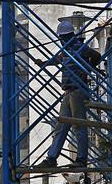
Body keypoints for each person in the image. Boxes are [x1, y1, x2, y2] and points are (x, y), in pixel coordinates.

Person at [35, 20, 103, 168]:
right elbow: (57, 60)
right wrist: (44, 63)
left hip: (78, 90)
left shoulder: (79, 47)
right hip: (69, 91)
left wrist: (88, 69)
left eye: (61, 38)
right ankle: (51, 158)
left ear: (65, 37)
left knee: (79, 126)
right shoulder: (66, 50)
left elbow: (96, 55)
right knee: (61, 125)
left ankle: (81, 159)